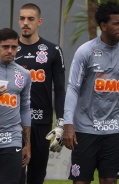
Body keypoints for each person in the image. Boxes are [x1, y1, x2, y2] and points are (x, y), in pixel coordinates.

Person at [63, 1, 119, 184]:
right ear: (103, 26)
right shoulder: (85, 52)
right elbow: (73, 87)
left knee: (109, 181)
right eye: (116, 24)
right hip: (85, 128)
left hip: (115, 129)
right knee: (80, 181)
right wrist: (68, 124)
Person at [15, 3, 66, 184]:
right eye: (22, 18)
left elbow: (60, 90)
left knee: (36, 177)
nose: (25, 23)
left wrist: (61, 123)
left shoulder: (53, 51)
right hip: (14, 124)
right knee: (15, 177)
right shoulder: (9, 50)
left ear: (40, 22)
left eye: (30, 19)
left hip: (42, 123)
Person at [0, 28, 32, 183]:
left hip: (12, 139)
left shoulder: (24, 74)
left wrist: (27, 144)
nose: (10, 51)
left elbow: (25, 108)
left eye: (14, 47)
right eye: (5, 47)